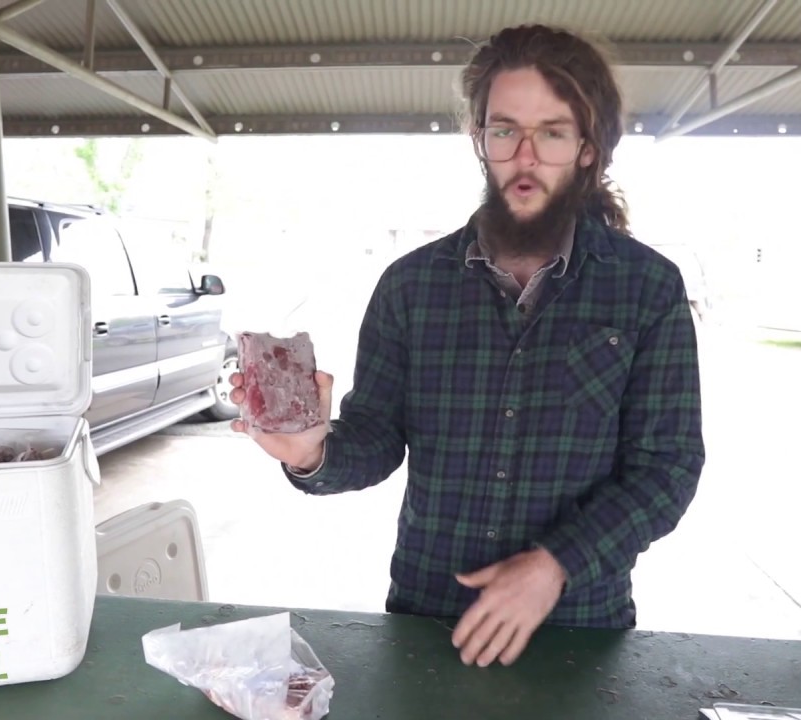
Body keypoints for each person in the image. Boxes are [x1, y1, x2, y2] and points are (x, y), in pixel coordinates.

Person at [229, 24, 705, 668]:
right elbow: (375, 438)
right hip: (430, 621)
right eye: (505, 130)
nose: (526, 155)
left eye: (553, 132)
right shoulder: (411, 285)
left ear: (588, 149)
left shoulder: (647, 288)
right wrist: (312, 452)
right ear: (479, 140)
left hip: (579, 627)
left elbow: (666, 467)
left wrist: (554, 565)